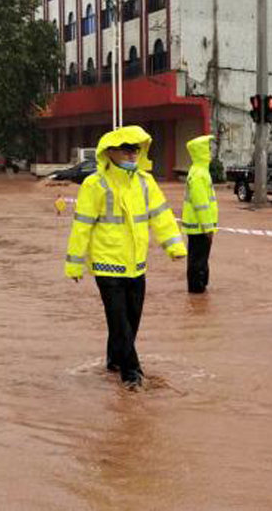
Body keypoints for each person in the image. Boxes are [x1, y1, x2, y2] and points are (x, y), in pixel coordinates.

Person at [64, 126, 187, 389]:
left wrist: (174, 246)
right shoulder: (94, 185)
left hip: (136, 265)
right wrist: (74, 264)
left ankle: (115, 359)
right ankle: (132, 374)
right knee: (119, 320)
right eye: (127, 149)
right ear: (110, 152)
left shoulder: (145, 182)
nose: (133, 154)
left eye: (136, 149)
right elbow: (82, 225)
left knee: (131, 320)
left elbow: (161, 215)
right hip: (107, 265)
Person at [180, 135, 219, 293]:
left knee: (199, 257)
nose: (209, 152)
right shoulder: (199, 174)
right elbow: (201, 204)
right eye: (207, 149)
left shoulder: (200, 171)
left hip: (199, 226)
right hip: (200, 227)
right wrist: (208, 227)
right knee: (198, 258)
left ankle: (200, 282)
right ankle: (197, 286)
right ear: (201, 152)